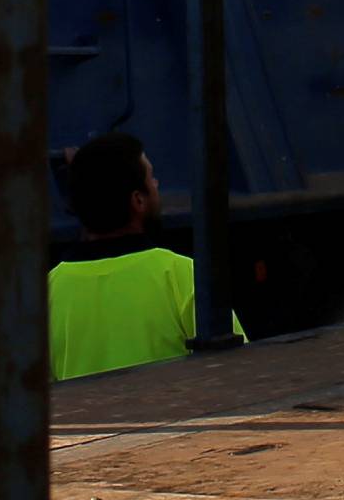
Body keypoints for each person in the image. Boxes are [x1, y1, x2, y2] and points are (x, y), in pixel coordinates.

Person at [48, 133, 242, 381]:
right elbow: (237, 371)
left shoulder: (48, 292)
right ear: (138, 200)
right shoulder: (182, 275)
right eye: (151, 178)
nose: (157, 183)